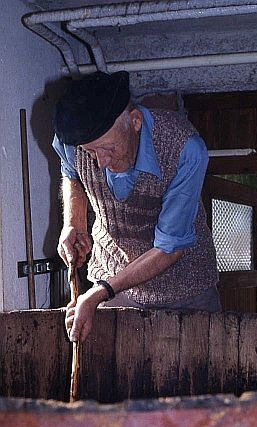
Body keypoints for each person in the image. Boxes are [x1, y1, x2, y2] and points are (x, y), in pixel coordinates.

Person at [52, 71, 220, 343]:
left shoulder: (184, 148)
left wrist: (99, 292)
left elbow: (170, 247)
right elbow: (71, 173)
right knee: (113, 378)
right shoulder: (72, 139)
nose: (100, 163)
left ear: (135, 121)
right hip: (112, 275)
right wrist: (74, 223)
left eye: (107, 148)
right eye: (90, 151)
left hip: (186, 288)